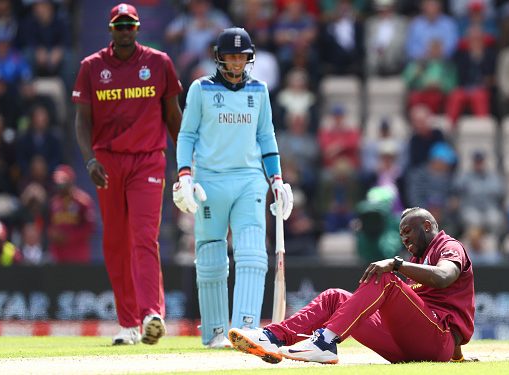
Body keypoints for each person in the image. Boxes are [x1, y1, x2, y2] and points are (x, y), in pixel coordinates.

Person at [172, 27, 294, 348]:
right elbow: (187, 135)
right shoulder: (200, 89)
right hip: (209, 180)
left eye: (242, 57)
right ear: (219, 57)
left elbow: (266, 138)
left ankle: (245, 329)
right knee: (211, 259)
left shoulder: (260, 91)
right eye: (231, 56)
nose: (237, 63)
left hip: (249, 180)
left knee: (253, 254)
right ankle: (214, 332)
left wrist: (277, 181)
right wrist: (185, 175)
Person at [229, 207, 475, 364]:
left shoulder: (448, 247)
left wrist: (396, 264)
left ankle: (325, 343)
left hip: (435, 342)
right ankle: (272, 336)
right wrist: (457, 357)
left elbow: (444, 276)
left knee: (387, 278)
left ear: (428, 226)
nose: (405, 239)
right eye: (402, 235)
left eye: (408, 232)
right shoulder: (417, 260)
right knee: (335, 297)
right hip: (410, 348)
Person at [72, 3, 183, 346]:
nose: (124, 31)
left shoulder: (159, 62)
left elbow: (173, 115)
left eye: (129, 26)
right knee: (115, 241)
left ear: (138, 28)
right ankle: (128, 324)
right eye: (119, 26)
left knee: (143, 236)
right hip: (108, 161)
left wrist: (190, 162)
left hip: (148, 159)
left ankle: (152, 314)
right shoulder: (91, 67)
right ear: (110, 29)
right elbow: (82, 121)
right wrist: (90, 160)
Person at [47, 165, 96, 264]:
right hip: (59, 256)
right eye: (58, 184)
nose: (61, 187)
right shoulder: (54, 203)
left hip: (78, 255)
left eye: (64, 184)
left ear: (71, 181)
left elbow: (90, 228)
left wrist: (69, 237)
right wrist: (53, 234)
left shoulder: (83, 201)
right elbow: (49, 225)